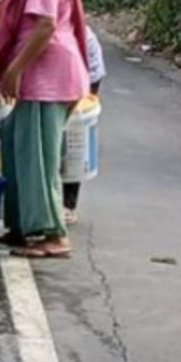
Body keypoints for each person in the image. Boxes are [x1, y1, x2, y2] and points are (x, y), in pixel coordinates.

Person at [0, 0, 89, 259]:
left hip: (47, 75)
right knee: (16, 143)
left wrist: (13, 71)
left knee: (38, 156)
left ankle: (51, 233)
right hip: (41, 73)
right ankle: (22, 227)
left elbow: (45, 26)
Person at [64, 26, 105, 224]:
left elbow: (93, 79)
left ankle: (68, 203)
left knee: (74, 134)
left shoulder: (84, 36)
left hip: (80, 77)